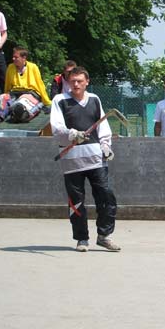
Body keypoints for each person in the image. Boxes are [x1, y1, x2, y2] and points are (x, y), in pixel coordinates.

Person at [50, 66, 120, 252]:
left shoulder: (94, 99)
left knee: (106, 195)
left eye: (80, 81)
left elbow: (103, 126)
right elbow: (56, 127)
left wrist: (106, 146)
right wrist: (72, 134)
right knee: (76, 201)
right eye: (72, 81)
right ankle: (82, 239)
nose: (76, 84)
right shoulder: (60, 100)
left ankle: (104, 236)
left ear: (87, 82)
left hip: (96, 159)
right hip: (72, 162)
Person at [0, 46, 51, 123]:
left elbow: (40, 84)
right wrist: (5, 96)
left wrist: (46, 101)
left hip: (30, 93)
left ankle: (20, 113)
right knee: (3, 98)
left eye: (16, 57)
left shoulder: (33, 67)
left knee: (21, 103)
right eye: (13, 57)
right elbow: (7, 84)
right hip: (14, 93)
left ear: (24, 58)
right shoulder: (10, 67)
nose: (13, 59)